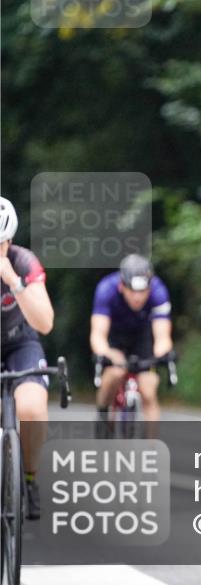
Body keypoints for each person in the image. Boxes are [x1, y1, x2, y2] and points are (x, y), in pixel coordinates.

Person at [0, 197, 55, 520]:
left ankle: (30, 478)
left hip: (20, 342)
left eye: (1, 243)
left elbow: (45, 322)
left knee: (32, 407)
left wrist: (14, 282)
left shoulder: (23, 261)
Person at [90, 254, 173, 436]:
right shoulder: (106, 289)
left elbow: (162, 335)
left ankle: (152, 448)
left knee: (149, 389)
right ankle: (103, 413)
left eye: (143, 291)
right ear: (122, 286)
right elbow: (98, 334)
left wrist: (160, 355)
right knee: (114, 373)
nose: (137, 297)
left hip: (143, 336)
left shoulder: (159, 291)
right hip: (115, 336)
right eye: (132, 291)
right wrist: (106, 353)